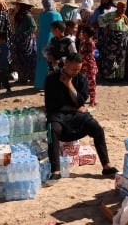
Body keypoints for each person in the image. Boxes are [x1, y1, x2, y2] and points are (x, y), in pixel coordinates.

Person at [45, 53, 118, 181]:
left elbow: (81, 101)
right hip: (58, 116)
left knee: (97, 129)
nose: (75, 72)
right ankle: (55, 170)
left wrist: (69, 85)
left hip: (76, 116)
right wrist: (73, 107)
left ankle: (106, 166)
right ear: (66, 64)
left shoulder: (82, 79)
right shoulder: (51, 78)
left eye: (78, 70)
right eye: (73, 69)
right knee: (53, 129)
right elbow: (51, 105)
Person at [98, 1, 128, 82]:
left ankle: (119, 76)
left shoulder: (125, 17)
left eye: (125, 8)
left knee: (121, 58)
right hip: (112, 39)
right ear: (118, 7)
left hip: (123, 41)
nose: (123, 9)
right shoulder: (111, 14)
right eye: (122, 7)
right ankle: (110, 76)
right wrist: (105, 26)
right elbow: (100, 18)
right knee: (111, 57)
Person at [35, 0, 62, 89]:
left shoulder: (41, 15)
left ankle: (39, 83)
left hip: (41, 38)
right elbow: (61, 26)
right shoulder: (56, 14)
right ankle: (49, 83)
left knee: (41, 60)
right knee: (50, 60)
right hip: (51, 37)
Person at [11, 0, 37, 85]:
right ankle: (21, 78)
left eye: (18, 5)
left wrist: (24, 34)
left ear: (22, 6)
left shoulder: (28, 16)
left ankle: (30, 78)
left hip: (26, 41)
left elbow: (34, 27)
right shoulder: (18, 15)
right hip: (18, 40)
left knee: (28, 59)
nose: (16, 7)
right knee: (18, 59)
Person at [78, 26, 98, 107]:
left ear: (86, 34)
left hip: (89, 66)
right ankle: (82, 99)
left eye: (83, 32)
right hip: (84, 65)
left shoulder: (90, 43)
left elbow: (87, 53)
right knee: (83, 83)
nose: (81, 34)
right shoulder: (84, 42)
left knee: (91, 83)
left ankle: (92, 101)